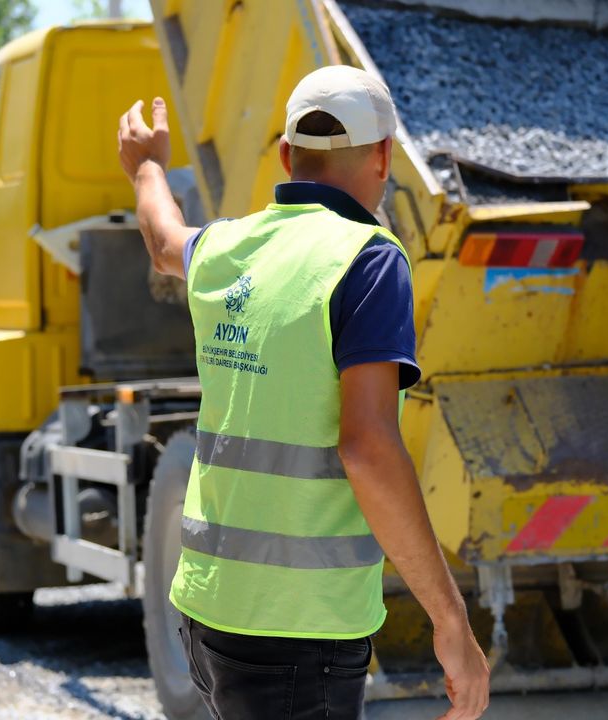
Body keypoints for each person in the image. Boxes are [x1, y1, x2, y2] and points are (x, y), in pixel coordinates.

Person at [118, 65, 490, 720]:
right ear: (383, 156)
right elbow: (368, 448)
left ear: (287, 156)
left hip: (208, 614)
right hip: (298, 630)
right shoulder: (367, 261)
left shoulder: (228, 247)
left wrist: (147, 167)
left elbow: (162, 240)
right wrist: (451, 621)